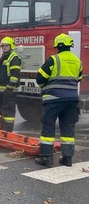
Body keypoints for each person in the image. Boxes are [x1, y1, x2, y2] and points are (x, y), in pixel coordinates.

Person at [35, 34, 83, 167]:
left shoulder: (53, 60)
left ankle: (47, 158)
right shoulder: (77, 61)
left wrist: (46, 87)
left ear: (57, 46)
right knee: (68, 128)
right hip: (72, 100)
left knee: (48, 127)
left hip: (53, 99)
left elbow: (39, 79)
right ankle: (67, 158)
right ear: (70, 45)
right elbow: (78, 79)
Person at [0, 37, 22, 131]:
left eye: (6, 46)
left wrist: (9, 88)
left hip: (9, 91)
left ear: (11, 46)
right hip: (0, 92)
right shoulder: (3, 57)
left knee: (8, 114)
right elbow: (0, 74)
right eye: (3, 46)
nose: (4, 47)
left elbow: (14, 75)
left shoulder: (14, 58)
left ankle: (7, 132)